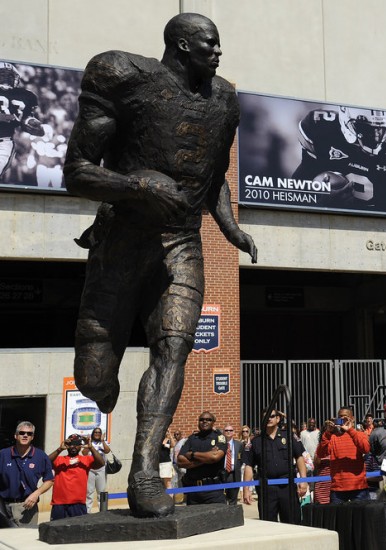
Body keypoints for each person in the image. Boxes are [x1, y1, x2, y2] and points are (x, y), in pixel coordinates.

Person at [62, 13, 257, 518]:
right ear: (182, 44)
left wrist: (231, 228)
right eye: (210, 44)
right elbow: (76, 172)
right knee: (94, 378)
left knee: (174, 349)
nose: (218, 52)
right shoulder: (122, 76)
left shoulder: (224, 100)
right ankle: (102, 387)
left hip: (181, 240)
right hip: (123, 237)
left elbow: (214, 177)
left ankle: (145, 469)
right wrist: (138, 184)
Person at [292, 106, 386, 215]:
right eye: (367, 130)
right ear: (346, 120)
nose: (375, 137)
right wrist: (319, 203)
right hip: (336, 220)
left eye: (380, 129)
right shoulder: (322, 130)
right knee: (319, 183)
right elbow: (298, 185)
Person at [242, 410, 308, 524]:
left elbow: (299, 457)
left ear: (278, 419)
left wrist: (303, 480)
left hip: (287, 486)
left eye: (272, 416)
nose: (269, 419)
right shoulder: (256, 441)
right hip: (266, 488)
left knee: (292, 523)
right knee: (268, 524)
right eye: (266, 417)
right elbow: (249, 466)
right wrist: (246, 489)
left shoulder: (289, 436)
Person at [0, 421, 54, 527]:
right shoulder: (3, 454)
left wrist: (36, 494)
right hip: (3, 507)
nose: (25, 435)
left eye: (29, 434)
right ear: (15, 435)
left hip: (27, 507)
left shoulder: (40, 456)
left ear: (32, 437)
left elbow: (49, 480)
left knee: (25, 537)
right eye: (22, 433)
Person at [316, 407, 371, 503]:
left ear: (352, 419)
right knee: (337, 514)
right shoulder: (332, 437)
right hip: (338, 489)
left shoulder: (360, 434)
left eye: (345, 417)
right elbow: (320, 454)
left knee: (361, 513)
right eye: (340, 417)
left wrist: (350, 430)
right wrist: (328, 433)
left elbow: (366, 449)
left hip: (359, 488)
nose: (342, 419)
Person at [0, 62, 45, 179]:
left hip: (4, 142)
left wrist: (29, 122)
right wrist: (5, 117)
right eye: (2, 74)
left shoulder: (25, 95)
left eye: (10, 75)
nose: (6, 78)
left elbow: (25, 118)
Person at [48, 434, 105, 520]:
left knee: (78, 528)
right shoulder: (58, 459)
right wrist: (59, 449)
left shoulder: (86, 459)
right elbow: (45, 462)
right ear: (67, 445)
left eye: (77, 444)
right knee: (56, 528)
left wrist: (91, 447)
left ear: (81, 446)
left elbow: (101, 463)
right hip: (59, 504)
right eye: (71, 444)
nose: (74, 446)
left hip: (78, 504)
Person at [177, 412, 227, 505]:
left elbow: (215, 457)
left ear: (213, 422)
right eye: (201, 419)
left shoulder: (219, 438)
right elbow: (180, 461)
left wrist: (192, 455)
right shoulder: (192, 438)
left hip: (213, 490)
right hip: (193, 490)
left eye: (208, 420)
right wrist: (207, 459)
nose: (205, 421)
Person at [83, 427, 111, 512]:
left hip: (101, 469)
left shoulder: (104, 442)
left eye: (99, 432)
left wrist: (103, 441)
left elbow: (107, 451)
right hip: (90, 469)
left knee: (101, 492)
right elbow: (84, 453)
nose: (97, 434)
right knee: (89, 492)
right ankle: (87, 512)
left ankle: (102, 512)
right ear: (93, 433)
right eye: (95, 432)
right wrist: (88, 443)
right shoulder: (89, 442)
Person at [222, 424, 243, 505]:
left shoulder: (239, 444)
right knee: (221, 498)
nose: (228, 432)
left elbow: (242, 458)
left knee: (233, 499)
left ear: (233, 432)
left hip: (233, 474)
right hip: (221, 473)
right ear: (223, 432)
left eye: (230, 430)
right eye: (226, 430)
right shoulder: (219, 444)